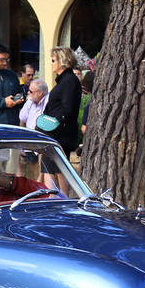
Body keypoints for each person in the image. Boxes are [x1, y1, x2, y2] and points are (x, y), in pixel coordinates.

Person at [41, 47, 83, 190]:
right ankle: (52, 196)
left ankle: (62, 196)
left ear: (62, 61)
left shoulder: (69, 80)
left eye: (54, 60)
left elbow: (68, 108)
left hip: (60, 133)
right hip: (56, 132)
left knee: (59, 167)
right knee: (50, 165)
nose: (51, 63)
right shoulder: (65, 80)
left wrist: (52, 122)